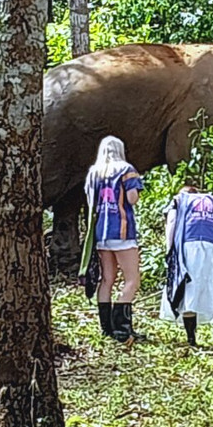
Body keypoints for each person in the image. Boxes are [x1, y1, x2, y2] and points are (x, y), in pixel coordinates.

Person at [160, 186, 213, 347]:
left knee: (188, 291)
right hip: (211, 248)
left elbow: (171, 223)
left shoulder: (179, 200)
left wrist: (170, 252)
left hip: (187, 248)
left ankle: (191, 338)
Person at [81, 135, 144, 343]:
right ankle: (122, 328)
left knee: (107, 278)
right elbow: (132, 199)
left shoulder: (94, 173)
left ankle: (106, 327)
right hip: (122, 230)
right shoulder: (126, 170)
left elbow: (91, 201)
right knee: (132, 279)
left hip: (101, 232)